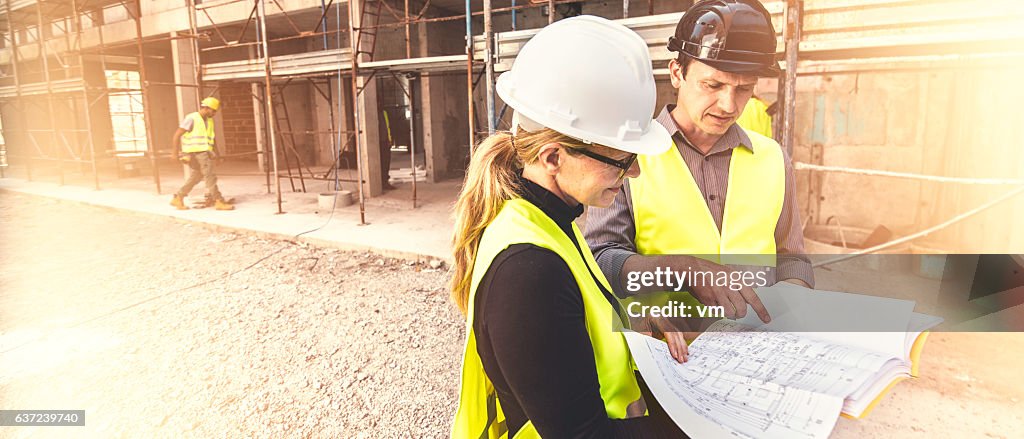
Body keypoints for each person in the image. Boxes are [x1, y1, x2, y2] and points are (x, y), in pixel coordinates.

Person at [450, 15, 689, 439]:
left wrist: (631, 318)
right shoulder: (527, 271)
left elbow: (574, 321)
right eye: (621, 159)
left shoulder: (547, 220)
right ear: (553, 157)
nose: (633, 173)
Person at [586, 0, 813, 324]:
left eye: (744, 89)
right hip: (667, 350)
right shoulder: (629, 155)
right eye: (713, 85)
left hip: (756, 353)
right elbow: (602, 259)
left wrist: (790, 303)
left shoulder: (773, 158)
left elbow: (793, 260)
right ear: (677, 73)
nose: (728, 104)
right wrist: (680, 271)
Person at [170, 97, 234, 211]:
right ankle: (218, 201)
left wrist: (217, 155)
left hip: (204, 153)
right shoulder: (192, 118)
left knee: (197, 176)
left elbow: (212, 139)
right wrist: (174, 153)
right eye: (213, 111)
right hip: (194, 154)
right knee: (210, 176)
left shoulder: (208, 121)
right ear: (207, 108)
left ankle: (178, 197)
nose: (214, 113)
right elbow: (177, 135)